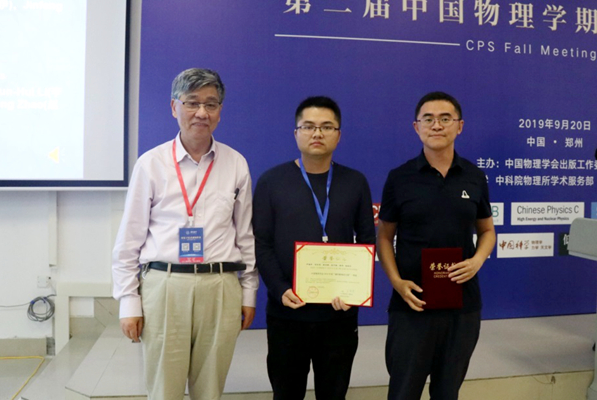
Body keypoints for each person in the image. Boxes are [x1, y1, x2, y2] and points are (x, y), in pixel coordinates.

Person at [112, 68, 258, 400]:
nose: (202, 112)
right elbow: (128, 240)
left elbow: (245, 235)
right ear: (174, 107)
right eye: (192, 103)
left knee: (211, 390)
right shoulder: (151, 164)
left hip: (220, 286)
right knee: (164, 389)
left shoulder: (236, 163)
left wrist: (249, 292)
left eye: (211, 104)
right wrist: (128, 301)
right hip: (165, 286)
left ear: (220, 111)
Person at [252, 96, 376, 400]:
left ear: (338, 134)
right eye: (308, 126)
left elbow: (367, 241)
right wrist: (280, 288)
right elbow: (261, 242)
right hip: (287, 312)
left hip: (338, 314)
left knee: (333, 393)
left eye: (326, 127)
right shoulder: (271, 181)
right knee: (286, 393)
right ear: (296, 133)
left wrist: (354, 291)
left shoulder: (355, 182)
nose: (317, 133)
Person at [377, 92, 496, 400]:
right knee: (403, 392)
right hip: (412, 303)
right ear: (416, 127)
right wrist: (397, 282)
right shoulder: (399, 177)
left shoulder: (474, 176)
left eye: (445, 119)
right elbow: (384, 237)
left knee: (447, 392)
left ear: (460, 126)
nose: (437, 125)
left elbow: (487, 231)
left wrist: (477, 261)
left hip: (462, 305)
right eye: (428, 119)